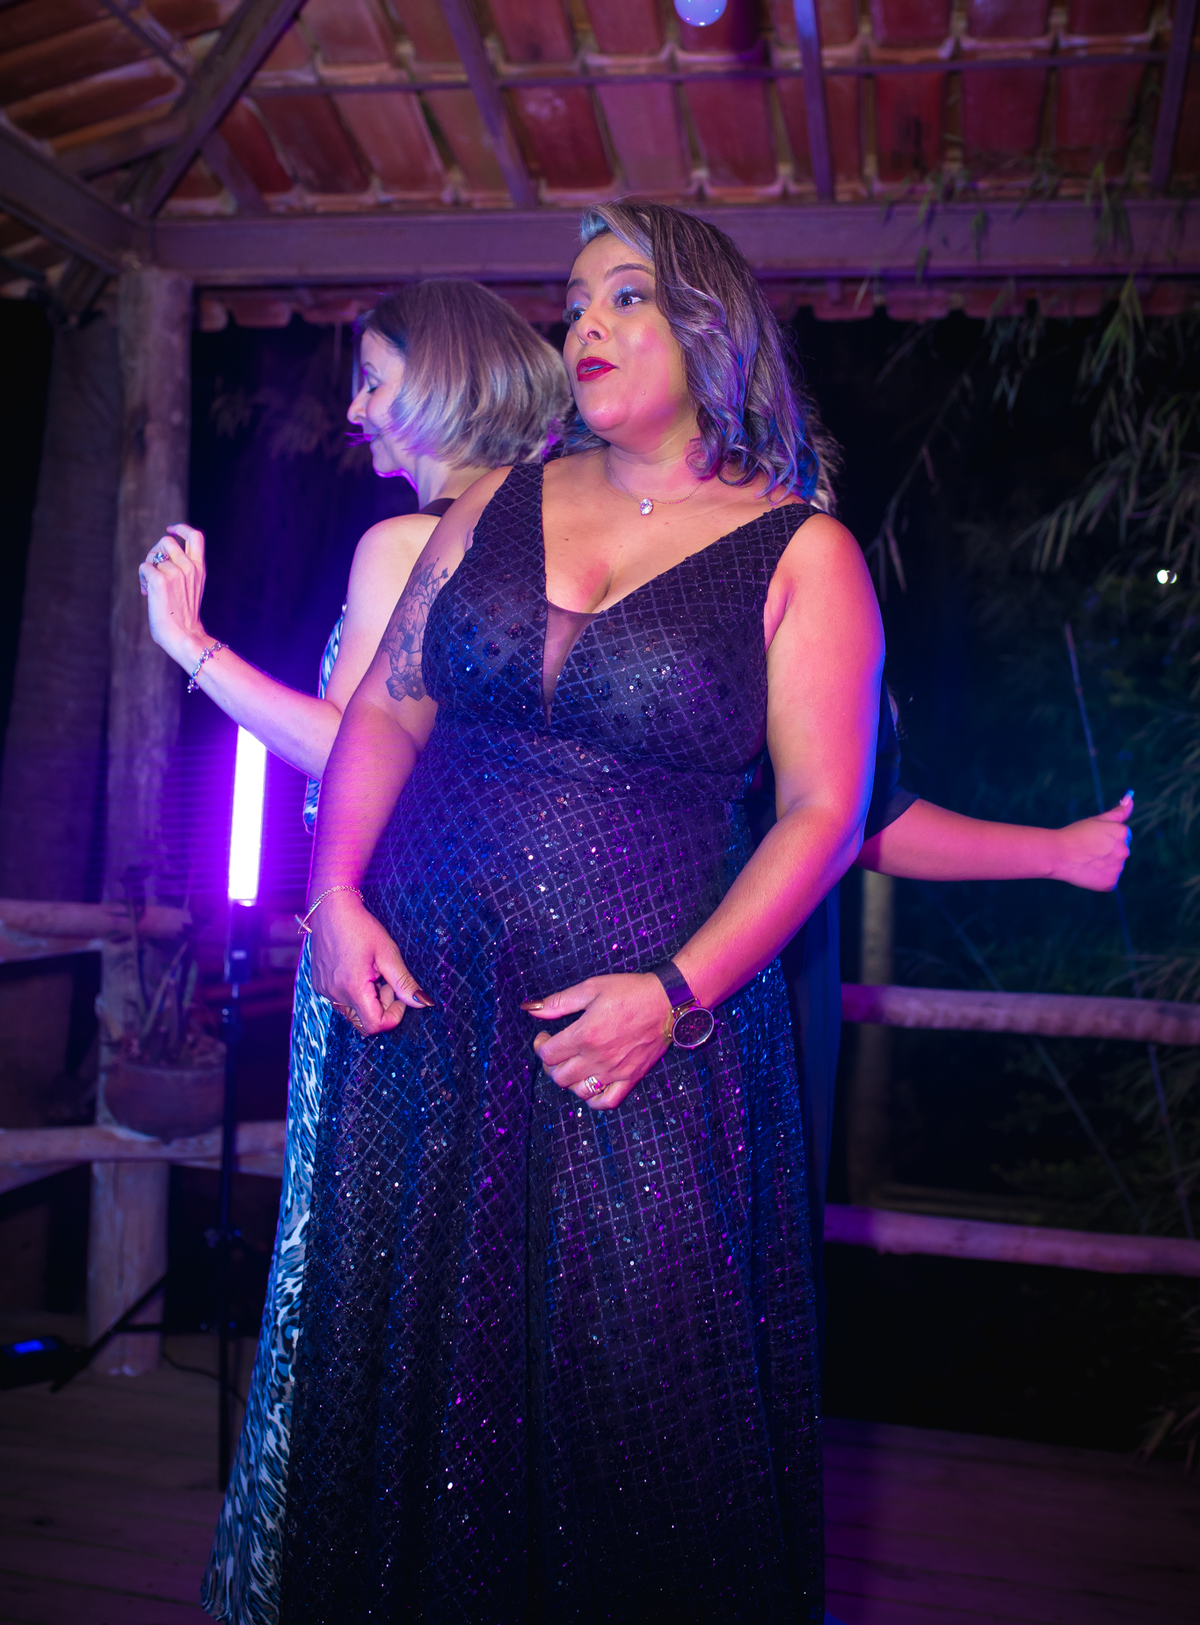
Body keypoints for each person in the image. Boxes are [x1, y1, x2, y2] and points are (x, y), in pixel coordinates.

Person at [146, 262, 1133, 1622]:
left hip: (666, 1023)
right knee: (424, 1376)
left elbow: (846, 812)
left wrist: (682, 991)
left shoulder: (798, 558)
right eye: (577, 300)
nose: (587, 324)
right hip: (434, 1014)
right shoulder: (491, 513)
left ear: (713, 332)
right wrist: (339, 894)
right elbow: (385, 713)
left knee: (647, 1390)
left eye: (627, 296)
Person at [140, 281, 570, 1625]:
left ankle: (344, 1573)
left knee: (363, 1268)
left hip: (383, 931)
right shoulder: (557, 536)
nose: (356, 408)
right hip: (491, 938)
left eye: (377, 380)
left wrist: (192, 649)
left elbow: (354, 744)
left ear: (444, 384)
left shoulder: (411, 542)